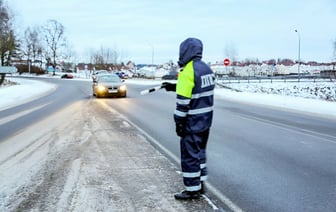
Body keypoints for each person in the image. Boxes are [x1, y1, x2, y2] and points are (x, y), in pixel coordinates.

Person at [162, 37, 215, 200]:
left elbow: (183, 103)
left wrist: (179, 123)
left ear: (185, 51)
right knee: (200, 153)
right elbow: (196, 89)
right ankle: (200, 183)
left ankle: (192, 190)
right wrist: (173, 87)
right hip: (205, 122)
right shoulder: (206, 69)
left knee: (189, 155)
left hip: (191, 123)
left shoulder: (186, 71)